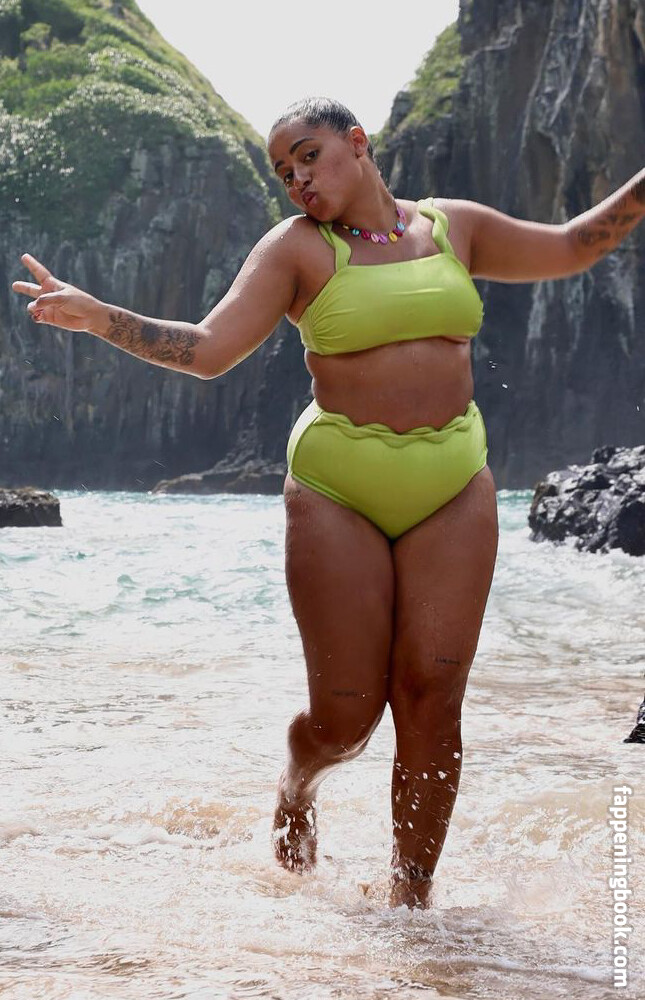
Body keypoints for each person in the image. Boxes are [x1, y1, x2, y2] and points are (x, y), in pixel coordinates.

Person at [12, 97, 645, 909]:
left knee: (432, 701)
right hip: (337, 488)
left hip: (453, 482)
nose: (298, 181)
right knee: (345, 720)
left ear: (357, 143)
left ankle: (411, 906)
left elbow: (572, 244)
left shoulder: (452, 227)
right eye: (284, 172)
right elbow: (207, 350)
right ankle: (296, 786)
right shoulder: (296, 250)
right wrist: (101, 318)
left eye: (308, 156)